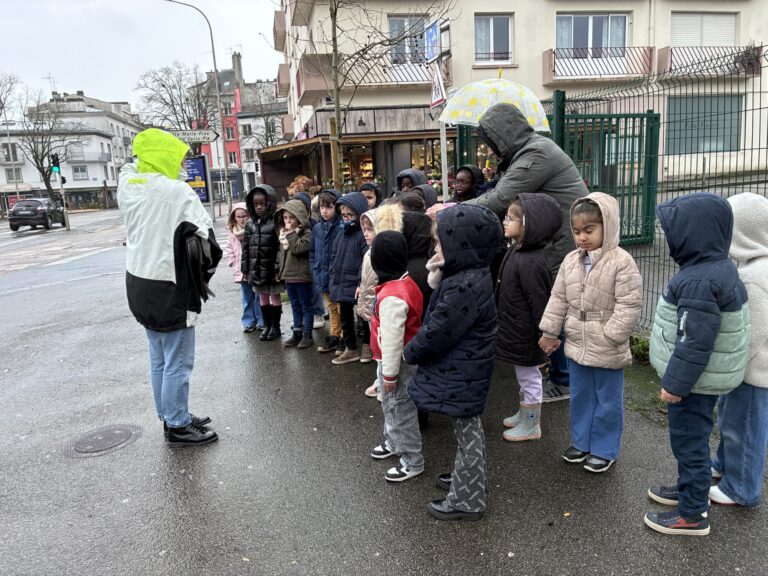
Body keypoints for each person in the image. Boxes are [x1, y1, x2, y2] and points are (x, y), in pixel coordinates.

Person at [645, 193, 751, 536]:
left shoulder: (699, 281)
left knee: (689, 442)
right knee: (694, 438)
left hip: (692, 383)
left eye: (673, 231)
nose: (670, 239)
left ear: (693, 234)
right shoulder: (716, 268)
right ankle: (691, 488)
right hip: (702, 380)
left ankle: (691, 515)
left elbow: (694, 341)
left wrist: (675, 384)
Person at [470, 102, 589, 402]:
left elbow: (501, 199)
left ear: (504, 134)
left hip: (559, 245)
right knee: (551, 310)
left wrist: (451, 212)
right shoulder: (528, 152)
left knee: (553, 312)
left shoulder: (537, 154)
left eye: (492, 142)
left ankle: (563, 381)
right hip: (553, 241)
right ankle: (559, 372)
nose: (491, 149)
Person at [117, 128, 220, 446]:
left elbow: (129, 166)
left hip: (139, 284)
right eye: (178, 158)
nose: (184, 166)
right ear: (164, 158)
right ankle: (177, 425)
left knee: (159, 357)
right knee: (178, 359)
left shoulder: (128, 185)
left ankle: (169, 414)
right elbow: (208, 240)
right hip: (170, 286)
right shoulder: (177, 193)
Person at [404, 204, 503, 521]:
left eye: (439, 242)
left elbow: (437, 331)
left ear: (462, 245)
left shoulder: (463, 285)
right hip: (465, 368)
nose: (435, 247)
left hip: (464, 370)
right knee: (467, 431)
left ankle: (468, 499)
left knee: (468, 432)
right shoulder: (467, 273)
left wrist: (410, 350)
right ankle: (466, 476)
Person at [539, 193, 642, 472]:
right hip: (576, 341)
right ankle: (582, 442)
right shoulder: (571, 260)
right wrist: (550, 330)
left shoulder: (621, 261)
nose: (582, 237)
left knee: (608, 400)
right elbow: (558, 297)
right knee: (581, 396)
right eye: (576, 231)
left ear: (607, 225)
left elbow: (629, 304)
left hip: (607, 344)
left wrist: (613, 334)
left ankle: (604, 448)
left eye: (589, 230)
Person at [709, 193, 768, 508]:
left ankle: (741, 488)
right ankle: (723, 465)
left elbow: (753, 333)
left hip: (750, 372)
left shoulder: (754, 277)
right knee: (732, 420)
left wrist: (728, 366)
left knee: (744, 427)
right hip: (745, 370)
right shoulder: (755, 265)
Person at [497, 194, 562, 441]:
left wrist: (545, 333)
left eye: (511, 218)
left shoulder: (532, 262)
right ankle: (525, 413)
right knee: (523, 376)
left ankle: (532, 424)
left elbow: (540, 303)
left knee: (530, 377)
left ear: (530, 225)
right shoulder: (518, 251)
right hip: (516, 328)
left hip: (526, 332)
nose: (505, 221)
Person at [369, 231, 425, 482]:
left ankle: (412, 460)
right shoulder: (405, 283)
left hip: (396, 363)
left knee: (400, 408)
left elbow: (392, 341)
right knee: (391, 406)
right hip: (399, 360)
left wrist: (389, 373)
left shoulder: (392, 296)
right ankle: (394, 442)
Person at [329, 191, 369, 365]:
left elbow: (366, 262)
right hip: (341, 281)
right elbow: (334, 256)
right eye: (343, 215)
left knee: (364, 316)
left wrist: (362, 282)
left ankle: (368, 345)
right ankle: (350, 347)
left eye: (350, 215)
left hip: (358, 283)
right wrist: (333, 275)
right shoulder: (340, 234)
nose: (345, 218)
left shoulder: (362, 235)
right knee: (345, 316)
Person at [242, 185, 284, 341]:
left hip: (272, 269)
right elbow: (245, 248)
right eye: (256, 204)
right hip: (257, 268)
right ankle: (266, 325)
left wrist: (278, 267)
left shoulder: (275, 223)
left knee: (275, 295)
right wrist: (245, 269)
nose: (259, 207)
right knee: (262, 296)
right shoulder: (249, 224)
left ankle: (276, 327)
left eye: (263, 204)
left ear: (269, 203)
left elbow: (281, 247)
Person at [275, 198, 314, 349]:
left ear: (300, 218)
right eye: (285, 218)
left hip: (302, 276)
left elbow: (298, 249)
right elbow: (282, 254)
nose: (288, 221)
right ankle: (297, 332)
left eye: (292, 218)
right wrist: (279, 270)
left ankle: (307, 334)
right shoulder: (283, 235)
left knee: (306, 306)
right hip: (289, 276)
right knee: (295, 306)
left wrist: (291, 233)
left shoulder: (307, 234)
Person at [310, 190, 343, 353]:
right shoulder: (317, 228)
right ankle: (334, 335)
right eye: (322, 207)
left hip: (337, 276)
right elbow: (313, 252)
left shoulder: (341, 227)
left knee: (340, 308)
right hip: (322, 274)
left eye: (329, 207)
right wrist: (315, 268)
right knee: (331, 307)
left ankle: (344, 337)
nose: (324, 211)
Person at [226, 202, 264, 333]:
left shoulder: (254, 228)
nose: (242, 219)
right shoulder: (232, 232)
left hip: (254, 268)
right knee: (247, 298)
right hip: (241, 270)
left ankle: (261, 320)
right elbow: (230, 249)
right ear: (234, 218)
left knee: (258, 296)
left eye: (245, 216)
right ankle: (248, 321)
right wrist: (232, 262)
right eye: (239, 216)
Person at [355, 208, 379, 365]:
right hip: (368, 303)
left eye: (370, 229)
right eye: (364, 229)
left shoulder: (381, 253)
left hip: (377, 307)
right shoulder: (368, 253)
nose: (366, 233)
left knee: (380, 344)